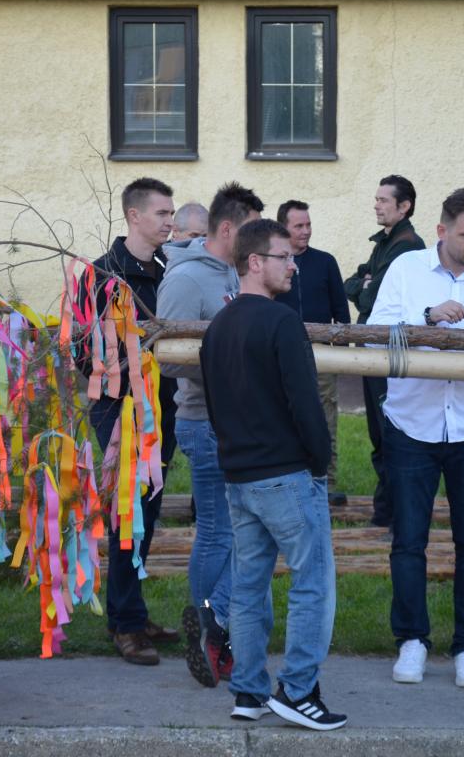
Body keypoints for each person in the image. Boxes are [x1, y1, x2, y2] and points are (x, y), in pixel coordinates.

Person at [200, 218, 345, 731]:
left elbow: (214, 406)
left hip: (240, 477)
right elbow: (306, 403)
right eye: (284, 257)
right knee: (313, 584)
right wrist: (320, 462)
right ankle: (299, 692)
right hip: (286, 475)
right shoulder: (282, 322)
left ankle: (248, 691)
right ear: (255, 262)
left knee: (249, 586)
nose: (293, 266)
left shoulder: (218, 327)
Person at [368, 188, 464, 689]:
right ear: (441, 231)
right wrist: (427, 318)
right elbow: (373, 332)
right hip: (411, 424)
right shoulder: (405, 269)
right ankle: (411, 641)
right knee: (409, 541)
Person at [157, 181, 264, 687]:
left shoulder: (235, 273)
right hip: (204, 422)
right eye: (251, 230)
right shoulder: (186, 279)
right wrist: (231, 369)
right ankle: (210, 623)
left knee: (241, 530)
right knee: (223, 532)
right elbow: (169, 359)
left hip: (241, 421)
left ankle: (211, 628)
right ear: (227, 229)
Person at [89, 178, 181, 665]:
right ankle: (125, 625)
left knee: (148, 510)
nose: (171, 221)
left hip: (163, 406)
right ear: (134, 216)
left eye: (171, 213)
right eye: (162, 213)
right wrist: (130, 367)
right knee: (129, 513)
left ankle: (133, 612)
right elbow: (85, 353)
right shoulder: (103, 275)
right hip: (121, 409)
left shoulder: (169, 270)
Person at [344, 175, 425, 529]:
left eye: (383, 200)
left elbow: (368, 297)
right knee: (380, 433)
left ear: (404, 206)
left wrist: (364, 287)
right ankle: (388, 511)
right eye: (376, 199)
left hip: (389, 353)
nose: (376, 205)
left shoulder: (407, 246)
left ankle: (390, 514)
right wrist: (362, 285)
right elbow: (353, 283)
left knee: (390, 432)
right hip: (374, 349)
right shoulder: (386, 242)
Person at [274, 199, 351, 507]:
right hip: (280, 356)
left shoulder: (325, 262)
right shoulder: (273, 263)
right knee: (284, 417)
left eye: (308, 225)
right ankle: (287, 479)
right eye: (299, 226)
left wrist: (341, 351)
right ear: (283, 228)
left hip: (322, 358)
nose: (306, 231)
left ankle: (326, 481)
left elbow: (341, 310)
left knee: (325, 418)